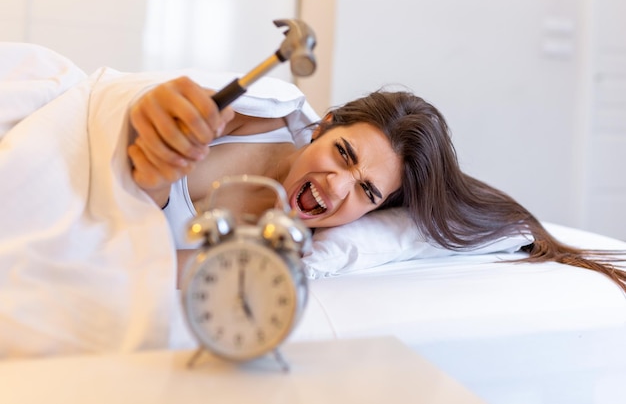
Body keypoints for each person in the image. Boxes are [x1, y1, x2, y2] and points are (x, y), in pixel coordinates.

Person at [128, 76, 626, 292]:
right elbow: (163, 116)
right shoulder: (264, 116)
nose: (337, 188)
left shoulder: (279, 249)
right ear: (322, 125)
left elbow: (140, 267)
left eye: (367, 191)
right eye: (343, 154)